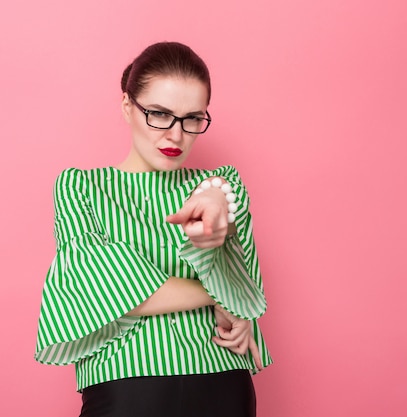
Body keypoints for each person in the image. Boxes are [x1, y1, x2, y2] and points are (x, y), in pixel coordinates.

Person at [35, 41, 271, 417]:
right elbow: (108, 291)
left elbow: (234, 252)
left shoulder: (219, 184)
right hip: (127, 388)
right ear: (128, 107)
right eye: (159, 114)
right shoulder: (80, 187)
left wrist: (215, 208)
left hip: (222, 379)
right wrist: (220, 297)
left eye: (193, 118)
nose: (176, 135)